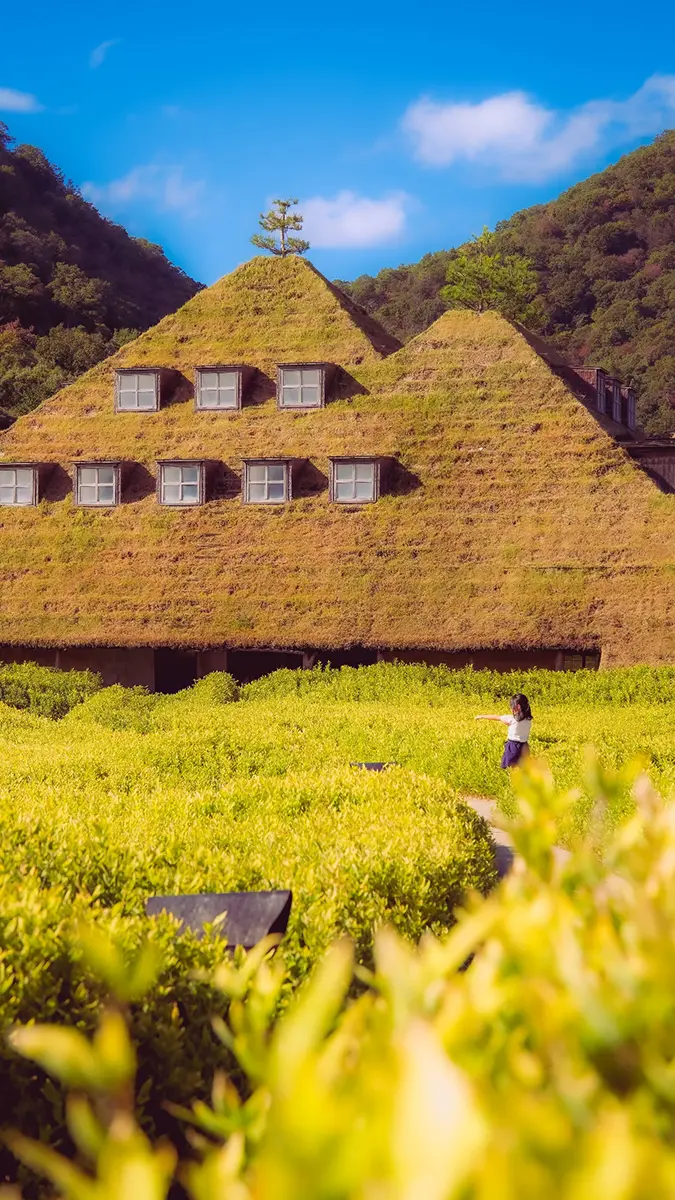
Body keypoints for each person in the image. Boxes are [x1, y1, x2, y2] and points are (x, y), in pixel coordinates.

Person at [475, 693, 533, 769]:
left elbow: (497, 717)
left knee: (506, 767)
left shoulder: (511, 719)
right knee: (524, 767)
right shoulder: (528, 719)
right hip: (525, 746)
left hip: (513, 746)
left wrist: (482, 716)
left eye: (512, 707)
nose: (511, 709)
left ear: (518, 707)